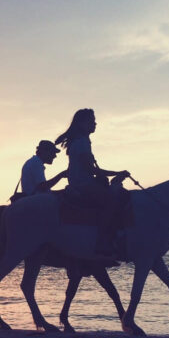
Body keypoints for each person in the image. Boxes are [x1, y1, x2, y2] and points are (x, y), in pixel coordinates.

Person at [55, 108, 129, 255]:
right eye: (92, 121)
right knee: (111, 200)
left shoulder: (80, 141)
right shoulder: (81, 142)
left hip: (81, 183)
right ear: (82, 123)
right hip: (84, 185)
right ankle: (102, 240)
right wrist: (117, 173)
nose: (95, 123)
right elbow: (90, 169)